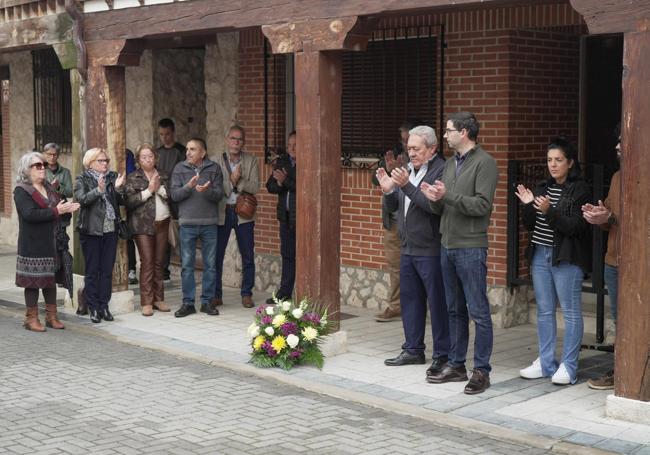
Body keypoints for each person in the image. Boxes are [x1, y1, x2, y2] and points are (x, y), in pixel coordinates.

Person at [421, 112, 498, 395]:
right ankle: (456, 365)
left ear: (464, 132)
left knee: (478, 311)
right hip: (447, 245)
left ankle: (482, 370)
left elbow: (482, 206)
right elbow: (444, 205)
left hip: (470, 247)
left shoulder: (485, 163)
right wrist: (434, 199)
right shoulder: (451, 164)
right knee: (454, 309)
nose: (445, 135)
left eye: (449, 130)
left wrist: (447, 197)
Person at [516, 137, 591, 385]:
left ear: (570, 162)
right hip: (540, 254)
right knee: (544, 312)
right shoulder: (542, 187)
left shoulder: (580, 190)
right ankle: (546, 362)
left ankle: (569, 366)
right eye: (549, 160)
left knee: (570, 312)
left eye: (559, 160)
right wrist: (528, 206)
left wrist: (550, 211)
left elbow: (575, 227)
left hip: (566, 258)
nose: (553, 165)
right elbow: (530, 224)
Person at [377, 126, 451, 375]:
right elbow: (395, 207)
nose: (411, 153)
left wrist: (407, 186)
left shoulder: (442, 170)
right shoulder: (408, 171)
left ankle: (442, 355)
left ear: (432, 149)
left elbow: (433, 206)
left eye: (416, 149)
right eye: (409, 148)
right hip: (407, 246)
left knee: (437, 304)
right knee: (410, 301)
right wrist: (389, 191)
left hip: (431, 248)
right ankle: (413, 349)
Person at [14, 152, 79, 331]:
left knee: (50, 280)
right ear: (27, 170)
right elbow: (30, 214)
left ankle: (52, 316)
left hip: (53, 242)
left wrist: (66, 208)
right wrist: (57, 211)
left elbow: (58, 206)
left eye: (43, 165)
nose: (43, 168)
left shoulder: (49, 187)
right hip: (33, 244)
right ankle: (31, 318)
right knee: (33, 282)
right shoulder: (22, 190)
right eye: (38, 165)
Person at [583, 131, 621, 390]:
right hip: (614, 262)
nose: (617, 145)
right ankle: (620, 371)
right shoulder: (618, 178)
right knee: (621, 321)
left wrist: (613, 218)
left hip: (641, 266)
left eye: (623, 140)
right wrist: (603, 216)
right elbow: (612, 218)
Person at [171, 138, 224, 317]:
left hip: (209, 223)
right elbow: (175, 195)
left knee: (210, 265)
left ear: (203, 152)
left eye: (193, 149)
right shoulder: (179, 169)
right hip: (187, 224)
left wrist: (206, 191)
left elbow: (218, 195)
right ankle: (188, 303)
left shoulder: (214, 168)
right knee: (187, 265)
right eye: (187, 149)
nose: (188, 153)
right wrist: (189, 187)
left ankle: (207, 302)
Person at [74, 148, 125, 324]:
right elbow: (82, 199)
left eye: (106, 160)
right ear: (90, 163)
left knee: (106, 271)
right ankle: (93, 307)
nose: (105, 163)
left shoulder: (113, 176)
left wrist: (117, 189)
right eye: (101, 161)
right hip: (91, 231)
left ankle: (104, 306)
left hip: (110, 230)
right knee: (92, 271)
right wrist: (98, 190)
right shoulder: (82, 178)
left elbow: (122, 200)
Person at [213, 125, 260, 309]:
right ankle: (216, 294)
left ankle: (246, 293)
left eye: (239, 139)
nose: (236, 142)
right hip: (222, 212)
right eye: (233, 138)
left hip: (244, 214)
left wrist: (238, 180)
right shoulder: (216, 160)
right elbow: (214, 185)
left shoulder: (251, 160)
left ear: (244, 142)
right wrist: (230, 180)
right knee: (217, 256)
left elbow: (255, 187)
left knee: (247, 255)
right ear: (227, 139)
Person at [125, 143, 172, 316]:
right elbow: (129, 201)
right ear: (138, 160)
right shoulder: (133, 177)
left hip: (163, 221)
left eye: (150, 156)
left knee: (159, 262)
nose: (148, 159)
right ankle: (146, 301)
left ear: (155, 158)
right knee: (147, 261)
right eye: (144, 157)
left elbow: (172, 196)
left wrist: (159, 189)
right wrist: (148, 191)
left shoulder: (164, 175)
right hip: (142, 225)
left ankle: (158, 298)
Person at [372, 121, 413, 322]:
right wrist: (389, 170)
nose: (405, 144)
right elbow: (375, 179)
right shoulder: (395, 153)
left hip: (415, 224)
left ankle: (417, 306)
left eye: (408, 139)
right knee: (395, 267)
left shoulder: (427, 160)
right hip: (394, 221)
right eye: (403, 140)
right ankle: (396, 306)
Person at [265, 131, 297, 305]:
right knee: (287, 255)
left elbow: (303, 187)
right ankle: (285, 293)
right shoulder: (282, 161)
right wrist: (278, 183)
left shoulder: (307, 162)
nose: (291, 148)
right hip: (285, 218)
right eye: (289, 145)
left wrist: (285, 181)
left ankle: (308, 293)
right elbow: (269, 186)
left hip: (301, 219)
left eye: (295, 145)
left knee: (304, 256)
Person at [156, 118, 186, 282]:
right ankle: (164, 270)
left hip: (178, 199)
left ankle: (184, 269)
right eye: (161, 134)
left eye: (167, 134)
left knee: (181, 235)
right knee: (163, 233)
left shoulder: (181, 152)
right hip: (162, 197)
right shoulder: (157, 153)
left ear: (173, 133)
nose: (165, 137)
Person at [126, 148, 139, 285]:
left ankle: (131, 269)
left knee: (128, 235)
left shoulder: (126, 153)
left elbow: (130, 175)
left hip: (126, 195)